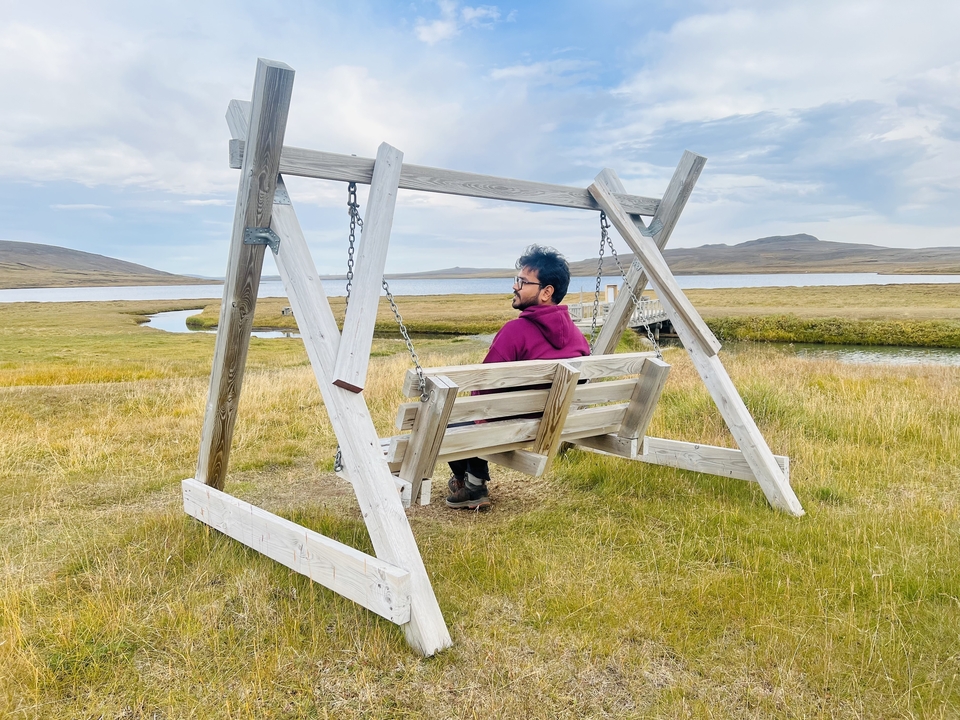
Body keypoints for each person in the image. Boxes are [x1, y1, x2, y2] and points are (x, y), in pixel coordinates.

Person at [446, 244, 590, 510]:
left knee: (450, 418)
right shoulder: (578, 337)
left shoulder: (515, 332)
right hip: (554, 424)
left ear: (547, 292)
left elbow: (482, 387)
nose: (515, 286)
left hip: (511, 429)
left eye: (523, 282)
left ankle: (471, 483)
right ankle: (472, 482)